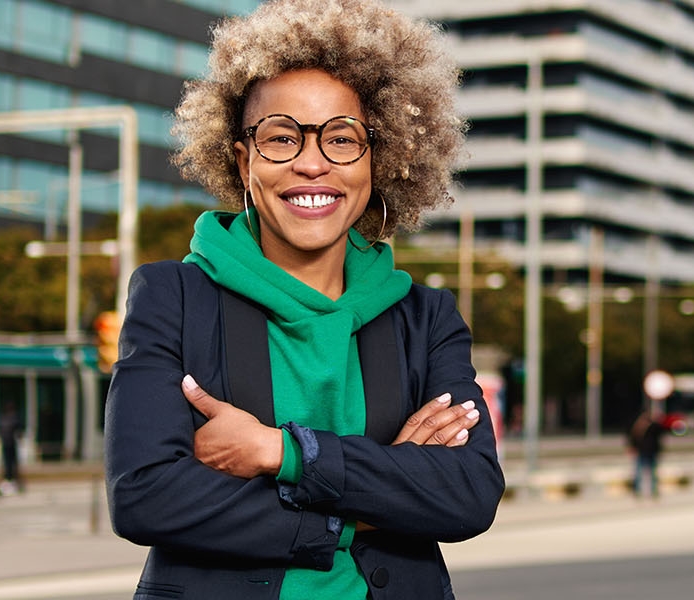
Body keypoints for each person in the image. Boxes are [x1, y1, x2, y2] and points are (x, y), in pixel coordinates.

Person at [103, 1, 503, 598]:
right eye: (281, 137)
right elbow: (145, 496)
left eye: (342, 138)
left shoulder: (426, 319)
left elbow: (467, 494)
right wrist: (375, 494)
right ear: (244, 161)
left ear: (378, 158)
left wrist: (281, 452)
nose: (312, 163)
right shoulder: (173, 299)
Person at [627, 410, 668, 501]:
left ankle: (654, 491)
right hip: (642, 452)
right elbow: (632, 438)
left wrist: (656, 422)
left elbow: (661, 432)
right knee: (639, 472)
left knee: (653, 473)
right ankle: (637, 491)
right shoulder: (637, 427)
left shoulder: (653, 427)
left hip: (651, 452)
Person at [0, 405, 22, 497]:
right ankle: (10, 482)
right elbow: (18, 431)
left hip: (7, 444)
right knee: (10, 465)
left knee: (9, 465)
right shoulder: (13, 419)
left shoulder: (4, 419)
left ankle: (10, 482)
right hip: (9, 444)